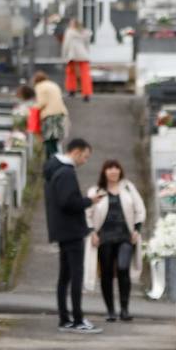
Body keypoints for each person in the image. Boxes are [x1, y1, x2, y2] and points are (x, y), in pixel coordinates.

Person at [44, 138, 102, 334]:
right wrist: (89, 201)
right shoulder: (67, 172)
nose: (85, 161)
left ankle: (65, 318)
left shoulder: (54, 168)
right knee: (75, 276)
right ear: (76, 152)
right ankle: (77, 318)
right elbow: (68, 202)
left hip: (62, 231)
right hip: (72, 231)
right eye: (85, 156)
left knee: (65, 277)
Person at [84, 159, 147, 323]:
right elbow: (87, 213)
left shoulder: (128, 188)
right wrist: (92, 232)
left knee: (123, 268)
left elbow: (140, 209)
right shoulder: (97, 191)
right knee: (106, 273)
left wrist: (137, 230)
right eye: (109, 168)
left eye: (116, 168)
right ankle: (111, 310)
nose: (113, 171)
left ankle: (124, 309)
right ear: (104, 172)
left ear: (120, 171)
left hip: (125, 236)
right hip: (104, 237)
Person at [32, 70, 68, 158]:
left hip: (49, 114)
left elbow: (42, 102)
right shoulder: (53, 84)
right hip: (61, 112)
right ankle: (52, 158)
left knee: (48, 138)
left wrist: (32, 108)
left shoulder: (39, 86)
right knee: (55, 138)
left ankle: (54, 159)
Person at [62, 18, 93, 102]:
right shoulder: (85, 33)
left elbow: (66, 45)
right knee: (85, 75)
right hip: (83, 55)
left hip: (73, 55)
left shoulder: (69, 32)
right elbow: (87, 45)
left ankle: (71, 90)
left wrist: (64, 56)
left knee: (70, 73)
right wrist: (87, 53)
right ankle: (86, 94)